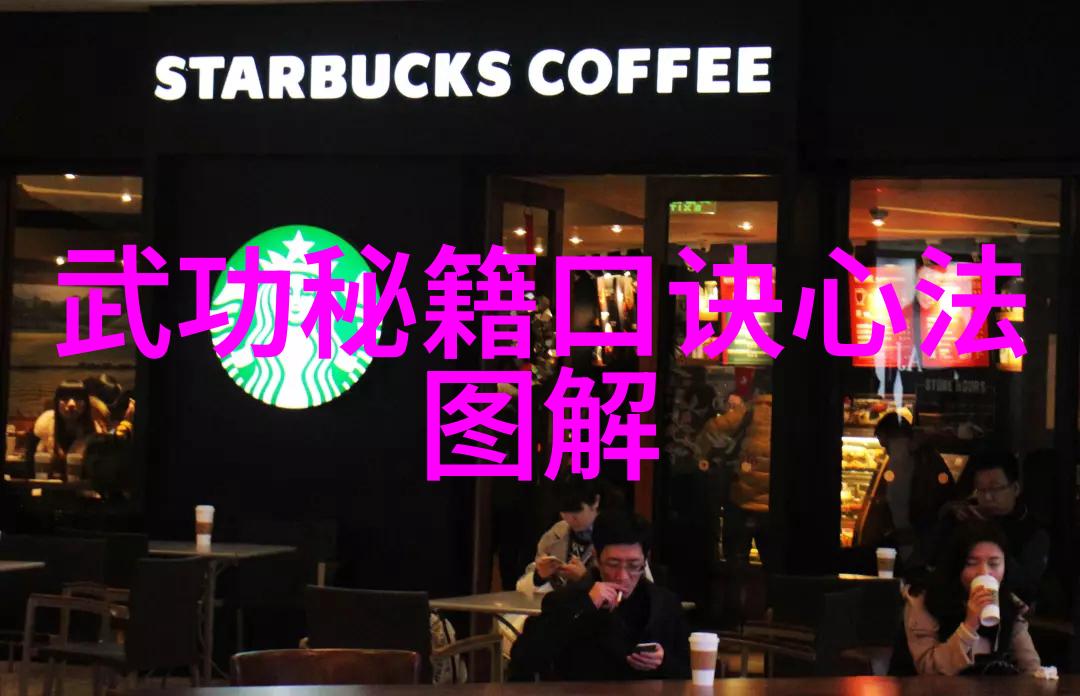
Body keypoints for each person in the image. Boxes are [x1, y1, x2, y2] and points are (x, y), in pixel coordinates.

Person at [509, 512, 690, 682]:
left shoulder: (664, 604)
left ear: (645, 560)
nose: (622, 576)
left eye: (633, 565)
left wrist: (663, 662)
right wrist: (586, 605)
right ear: (596, 557)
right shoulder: (566, 600)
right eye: (613, 564)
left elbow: (689, 672)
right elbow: (522, 659)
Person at [903, 521, 1041, 676]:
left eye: (994, 564)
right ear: (956, 566)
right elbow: (928, 670)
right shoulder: (924, 599)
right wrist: (969, 626)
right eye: (971, 563)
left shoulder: (1009, 603)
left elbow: (1031, 667)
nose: (984, 572)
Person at [933, 450, 1049, 606]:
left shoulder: (1033, 531)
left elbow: (1026, 586)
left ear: (1015, 488)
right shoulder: (965, 516)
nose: (987, 497)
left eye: (995, 489)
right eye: (981, 490)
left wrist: (988, 533)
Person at [862, 412, 955, 564]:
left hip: (920, 546)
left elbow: (922, 505)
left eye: (886, 446)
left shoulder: (915, 461)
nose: (887, 452)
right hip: (917, 543)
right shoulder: (920, 456)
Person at [27, 380, 109, 473]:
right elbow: (29, 466)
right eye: (65, 399)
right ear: (57, 403)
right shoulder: (44, 426)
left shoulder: (94, 433)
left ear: (86, 404)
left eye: (78, 399)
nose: (71, 404)